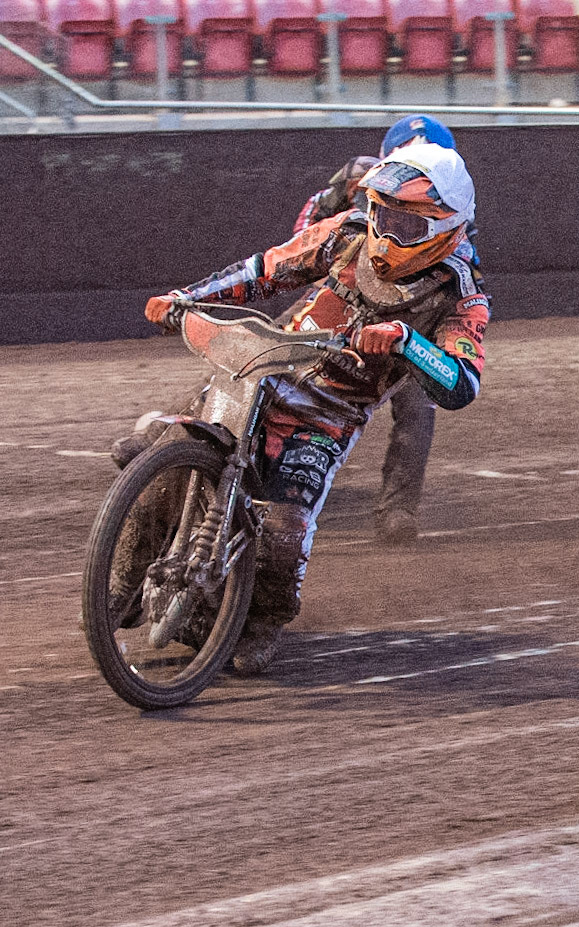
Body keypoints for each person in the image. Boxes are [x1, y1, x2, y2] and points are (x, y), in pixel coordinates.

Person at [142, 143, 489, 675]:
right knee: (167, 463)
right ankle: (120, 581)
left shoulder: (460, 295)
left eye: (408, 226)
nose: (388, 235)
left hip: (330, 415)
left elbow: (462, 384)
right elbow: (268, 269)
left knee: (284, 528)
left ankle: (261, 621)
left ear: (446, 229)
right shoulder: (348, 231)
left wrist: (405, 342)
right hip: (269, 369)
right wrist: (186, 297)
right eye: (383, 215)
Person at [296, 114, 466, 545]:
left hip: (411, 320)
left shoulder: (450, 202)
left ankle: (399, 509)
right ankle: (167, 437)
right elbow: (307, 225)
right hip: (346, 296)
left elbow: (463, 270)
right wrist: (326, 272)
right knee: (267, 353)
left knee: (418, 404)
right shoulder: (357, 177)